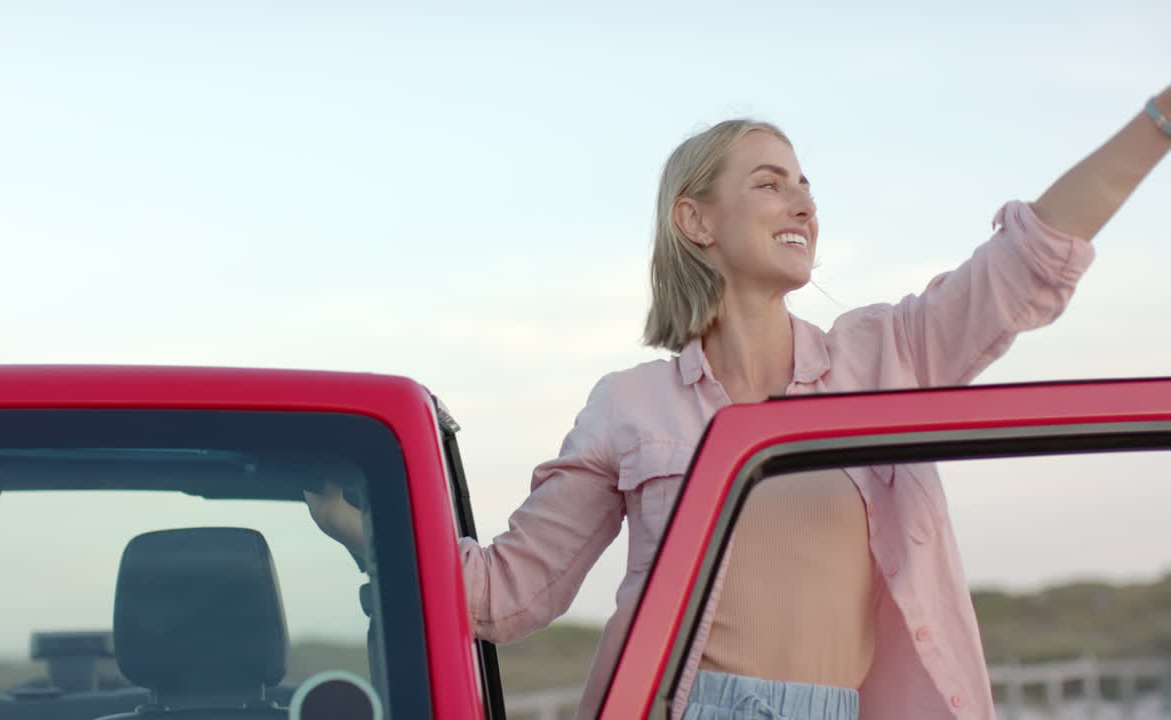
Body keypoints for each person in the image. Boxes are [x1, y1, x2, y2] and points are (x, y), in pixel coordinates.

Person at [308, 85, 1171, 720]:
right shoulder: (628, 405)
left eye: (805, 183)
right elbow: (508, 593)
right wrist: (363, 528)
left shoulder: (888, 355)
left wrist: (1158, 121)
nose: (804, 201)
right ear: (696, 220)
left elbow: (1030, 259)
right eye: (769, 182)